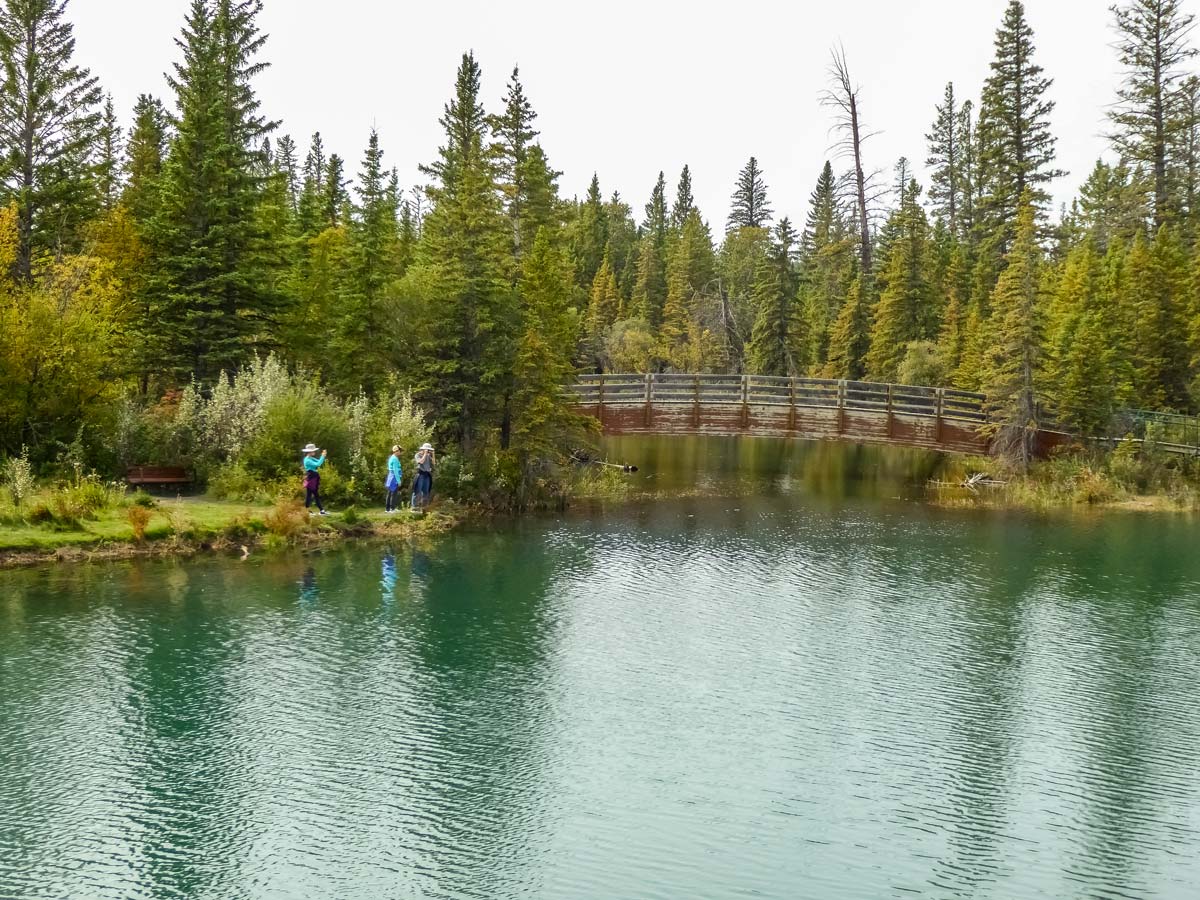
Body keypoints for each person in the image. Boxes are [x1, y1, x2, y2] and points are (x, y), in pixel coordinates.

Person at [301, 443, 330, 515]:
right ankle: (308, 511)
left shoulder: (310, 458)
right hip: (311, 477)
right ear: (309, 452)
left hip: (314, 477)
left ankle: (321, 510)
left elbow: (318, 461)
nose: (314, 452)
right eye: (313, 451)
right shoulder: (307, 460)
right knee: (310, 495)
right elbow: (318, 464)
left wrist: (323, 456)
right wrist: (323, 456)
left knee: (315, 494)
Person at [411, 442, 435, 511]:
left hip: (427, 475)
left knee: (426, 491)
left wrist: (433, 454)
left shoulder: (428, 456)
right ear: (423, 449)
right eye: (427, 450)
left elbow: (433, 463)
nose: (428, 451)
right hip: (420, 474)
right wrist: (424, 454)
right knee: (417, 490)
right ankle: (414, 507)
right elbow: (421, 462)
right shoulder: (417, 455)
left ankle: (425, 507)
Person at [385, 445, 403, 513]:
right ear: (396, 451)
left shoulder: (392, 457)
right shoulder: (395, 459)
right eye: (399, 451)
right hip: (394, 477)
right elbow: (395, 470)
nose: (400, 452)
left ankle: (388, 509)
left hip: (391, 476)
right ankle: (392, 509)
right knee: (393, 493)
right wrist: (398, 481)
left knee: (390, 493)